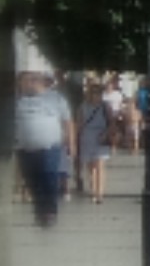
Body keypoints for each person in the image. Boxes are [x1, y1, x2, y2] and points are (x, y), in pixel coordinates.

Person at [13, 72, 71, 229]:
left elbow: (67, 121)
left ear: (40, 82)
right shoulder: (17, 101)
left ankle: (50, 211)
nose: (27, 85)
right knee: (32, 180)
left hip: (50, 146)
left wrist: (70, 142)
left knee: (49, 176)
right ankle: (40, 211)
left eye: (31, 81)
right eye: (24, 82)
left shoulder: (56, 99)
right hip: (24, 147)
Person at [77, 81, 116, 206]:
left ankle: (99, 194)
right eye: (94, 93)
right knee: (91, 167)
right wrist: (76, 138)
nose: (96, 95)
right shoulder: (83, 107)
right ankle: (93, 190)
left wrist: (107, 133)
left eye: (99, 93)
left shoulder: (106, 106)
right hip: (87, 137)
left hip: (101, 137)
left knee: (100, 165)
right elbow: (79, 123)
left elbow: (112, 122)